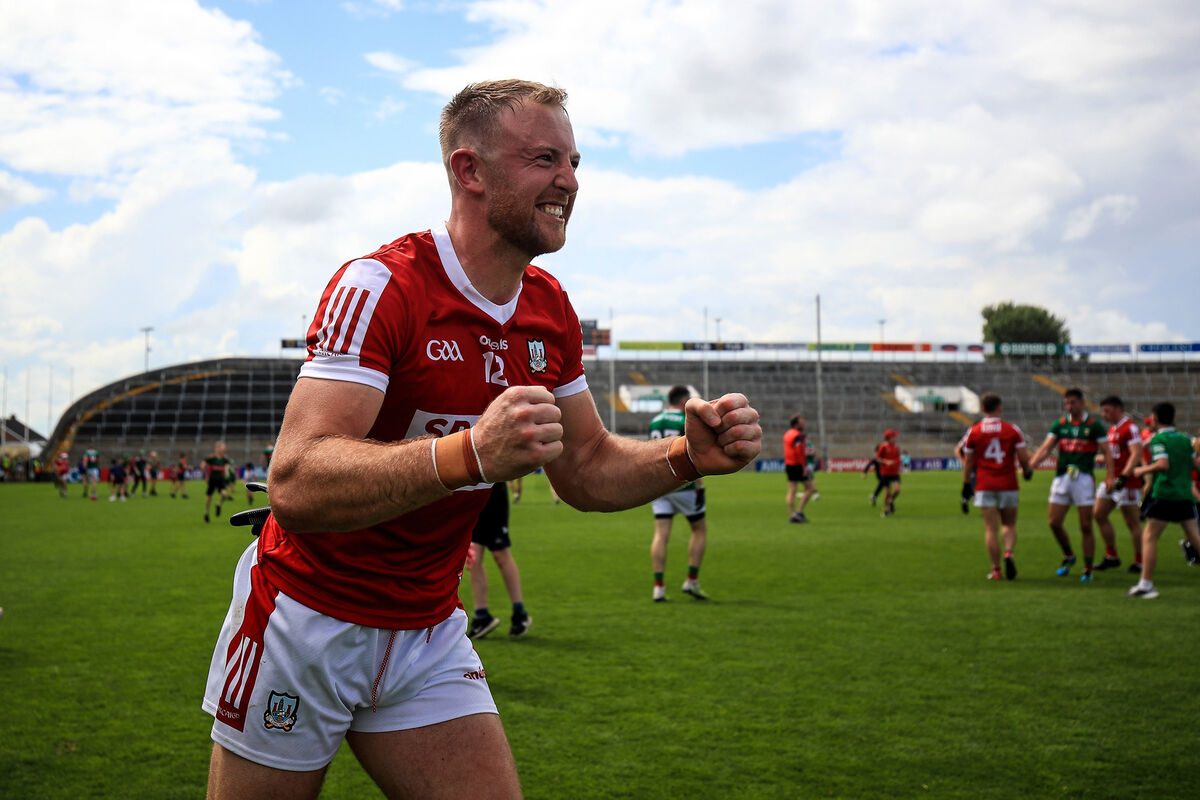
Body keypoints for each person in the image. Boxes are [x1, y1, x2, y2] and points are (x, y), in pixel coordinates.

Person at [200, 79, 762, 800]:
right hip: (306, 618)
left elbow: (586, 469)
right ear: (469, 171)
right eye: (543, 159)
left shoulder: (549, 308)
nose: (568, 181)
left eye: (574, 162)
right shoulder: (382, 286)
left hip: (429, 631)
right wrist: (468, 453)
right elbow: (296, 481)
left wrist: (685, 457)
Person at [1028, 388, 1108, 580]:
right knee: (1054, 523)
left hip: (1083, 479)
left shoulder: (1093, 426)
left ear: (1082, 402)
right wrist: (1030, 465)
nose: (1069, 407)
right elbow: (1046, 448)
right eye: (1067, 403)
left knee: (1085, 525)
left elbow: (1108, 454)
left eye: (1073, 402)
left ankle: (1088, 567)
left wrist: (1111, 476)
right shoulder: (1060, 424)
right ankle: (1069, 556)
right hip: (1063, 477)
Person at [1126, 402, 1200, 599]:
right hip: (1185, 494)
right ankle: (1145, 584)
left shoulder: (1160, 439)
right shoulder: (1185, 439)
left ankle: (1146, 585)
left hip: (1166, 494)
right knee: (1195, 537)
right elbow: (1195, 463)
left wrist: (1142, 470)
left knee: (1149, 536)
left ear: (1156, 419)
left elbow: (1162, 464)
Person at [960, 394, 1034, 580]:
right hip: (1008, 483)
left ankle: (996, 570)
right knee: (1008, 524)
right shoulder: (1012, 429)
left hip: (985, 484)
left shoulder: (974, 431)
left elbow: (969, 462)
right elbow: (1024, 458)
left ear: (983, 409)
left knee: (990, 529)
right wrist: (1026, 472)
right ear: (1000, 408)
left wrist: (966, 484)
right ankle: (1008, 552)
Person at [649, 385, 711, 600]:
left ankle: (659, 587)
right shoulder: (686, 420)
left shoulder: (655, 421)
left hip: (659, 485)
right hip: (685, 484)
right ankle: (691, 581)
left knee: (661, 534)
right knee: (699, 530)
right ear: (684, 399)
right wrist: (700, 486)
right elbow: (693, 453)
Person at [466, 482, 531, 637]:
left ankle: (519, 613)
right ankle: (482, 616)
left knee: (500, 553)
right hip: (471, 491)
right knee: (473, 554)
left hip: (493, 488)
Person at [1092, 396, 1143, 574]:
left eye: (1107, 411)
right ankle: (1111, 556)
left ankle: (1140, 561)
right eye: (1103, 411)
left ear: (1118, 409)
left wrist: (1123, 477)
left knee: (1132, 522)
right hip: (1111, 479)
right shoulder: (1114, 429)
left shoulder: (1130, 428)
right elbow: (1113, 455)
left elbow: (1136, 453)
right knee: (1098, 514)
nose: (1104, 415)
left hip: (1126, 482)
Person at [783, 414, 816, 523]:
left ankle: (792, 515)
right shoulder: (798, 436)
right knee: (811, 488)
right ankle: (799, 512)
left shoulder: (787, 434)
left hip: (789, 465)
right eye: (802, 421)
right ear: (797, 423)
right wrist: (804, 466)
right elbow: (799, 452)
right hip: (798, 465)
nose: (804, 423)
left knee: (792, 491)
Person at [202, 441, 232, 523]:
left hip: (220, 481)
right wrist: (206, 475)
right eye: (221, 448)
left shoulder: (225, 460)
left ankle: (218, 505)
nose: (223, 450)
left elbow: (227, 468)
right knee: (209, 497)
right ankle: (206, 513)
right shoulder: (212, 458)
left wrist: (227, 474)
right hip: (212, 480)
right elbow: (203, 465)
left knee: (225, 494)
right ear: (217, 449)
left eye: (224, 449)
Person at [876, 430, 902, 516]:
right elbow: (878, 459)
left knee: (897, 490)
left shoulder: (896, 448)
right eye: (894, 437)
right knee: (887, 491)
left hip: (894, 472)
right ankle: (885, 510)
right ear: (889, 438)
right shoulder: (883, 447)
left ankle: (890, 500)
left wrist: (897, 465)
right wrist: (886, 462)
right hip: (885, 472)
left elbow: (898, 458)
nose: (895, 438)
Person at [954, 431, 974, 514]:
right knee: (971, 483)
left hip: (977, 464)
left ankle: (966, 498)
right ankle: (967, 497)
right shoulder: (970, 435)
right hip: (972, 464)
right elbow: (957, 449)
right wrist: (963, 462)